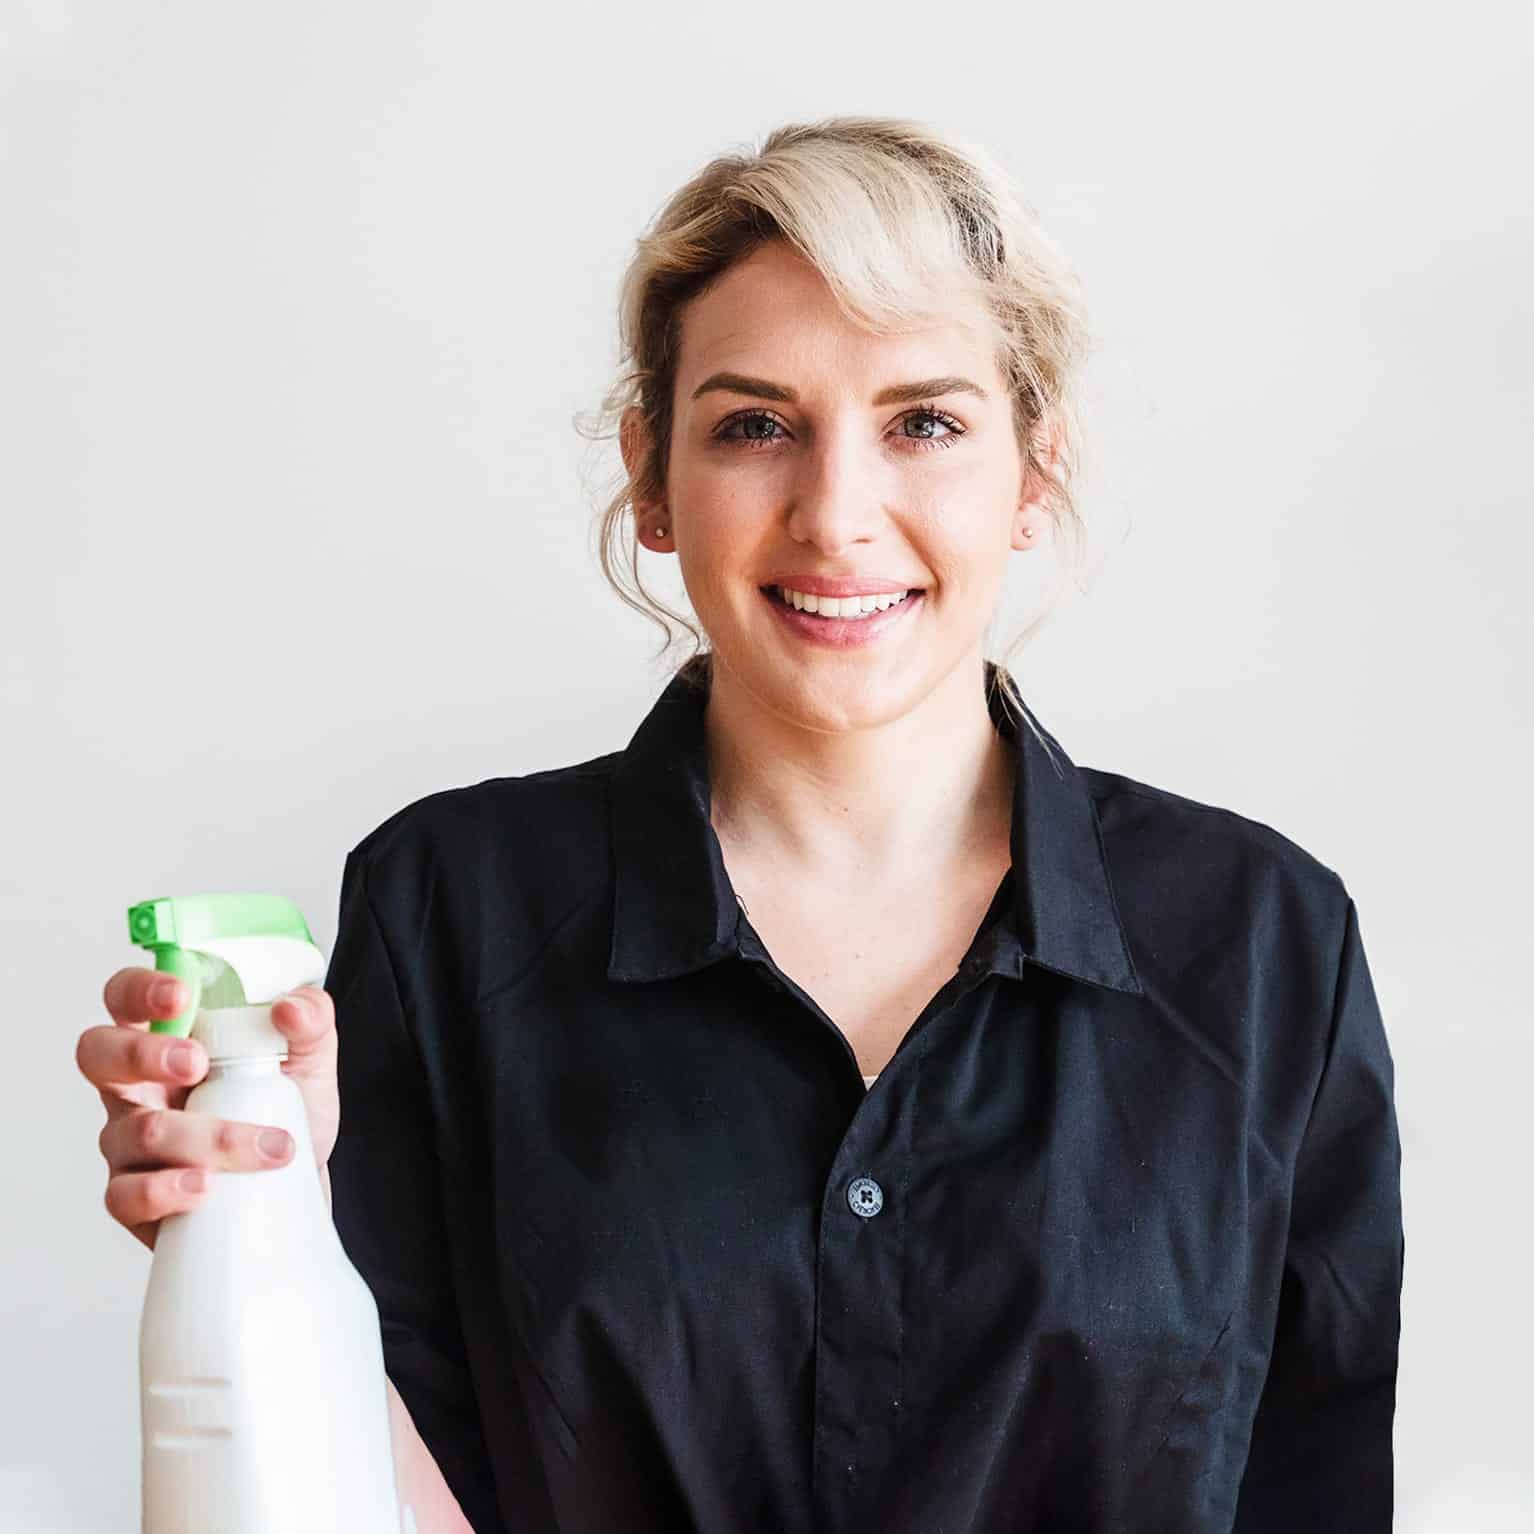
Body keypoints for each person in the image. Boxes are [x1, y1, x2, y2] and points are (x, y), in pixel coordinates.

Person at [79, 115, 1404, 1533]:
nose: (836, 515)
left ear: (1034, 471)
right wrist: (269, 1227)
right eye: (756, 425)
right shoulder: (448, 911)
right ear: (653, 476)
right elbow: (376, 1495)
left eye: (925, 424)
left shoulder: (1262, 939)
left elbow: (1315, 1488)